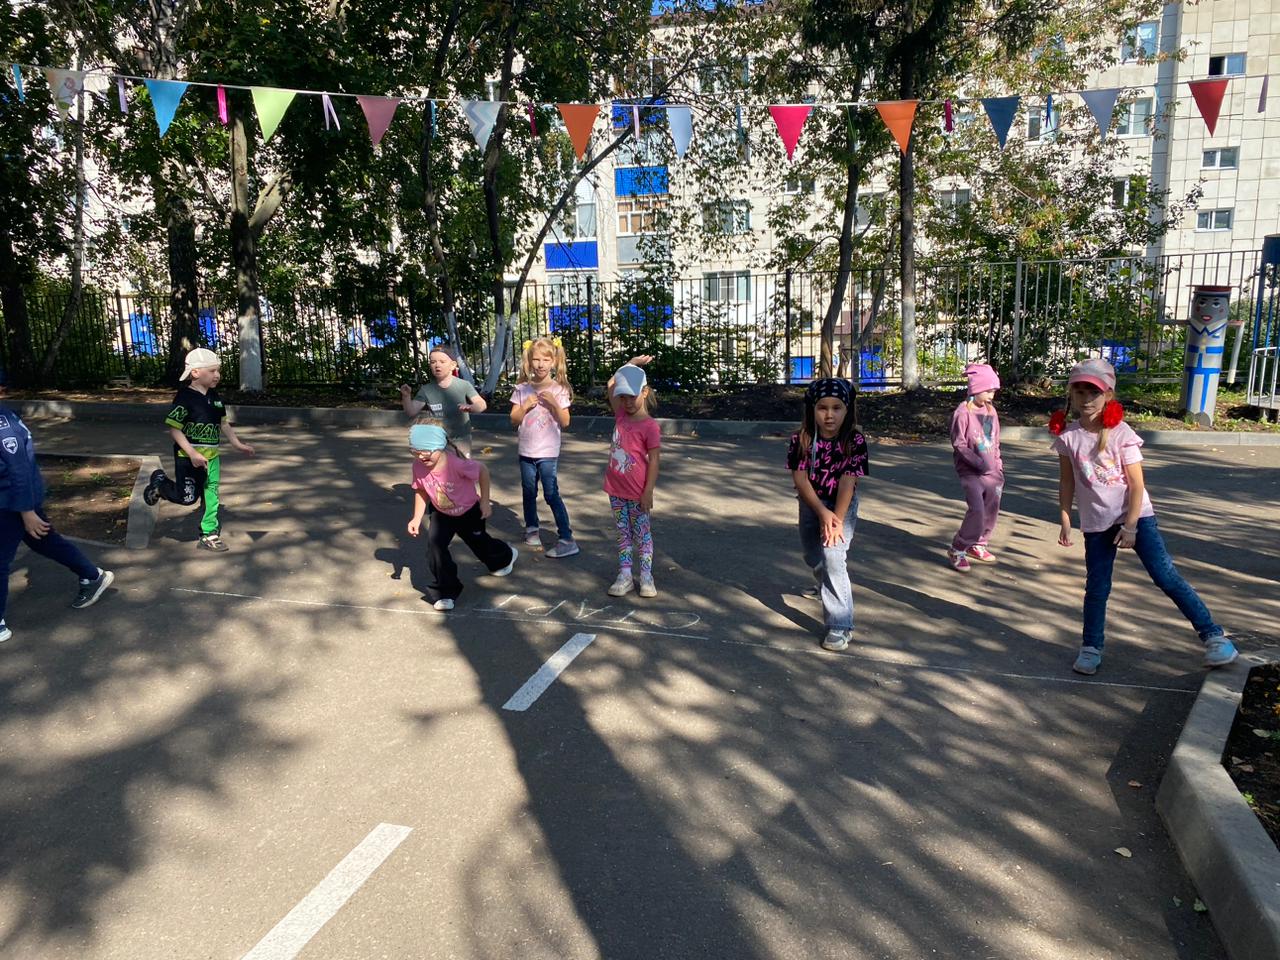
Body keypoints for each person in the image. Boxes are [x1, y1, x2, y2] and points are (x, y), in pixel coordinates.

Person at [1051, 358, 1238, 675]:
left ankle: (1214, 637)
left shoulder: (1121, 433)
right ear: (1071, 394)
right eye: (1080, 391)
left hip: (1136, 518)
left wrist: (1131, 526)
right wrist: (1066, 517)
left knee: (1165, 576)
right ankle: (1091, 647)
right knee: (1097, 588)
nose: (1086, 399)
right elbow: (1067, 481)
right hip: (1097, 522)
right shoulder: (1069, 437)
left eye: (1094, 392)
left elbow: (1136, 484)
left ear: (1108, 395)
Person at [0, 399, 114, 643]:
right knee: (43, 540)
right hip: (13, 501)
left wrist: (26, 511)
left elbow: (20, 471)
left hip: (11, 503)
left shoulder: (3, 424)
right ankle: (93, 575)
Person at [786, 378, 870, 651]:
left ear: (847, 410)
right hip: (812, 503)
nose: (829, 415)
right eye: (823, 408)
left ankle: (840, 624)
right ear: (812, 409)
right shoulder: (800, 440)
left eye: (837, 408)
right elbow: (800, 480)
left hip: (842, 504)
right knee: (813, 555)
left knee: (833, 556)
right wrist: (821, 512)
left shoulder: (854, 440)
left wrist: (836, 519)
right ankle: (826, 583)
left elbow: (848, 481)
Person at [143, 348, 255, 552]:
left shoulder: (215, 397)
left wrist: (237, 444)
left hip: (212, 458)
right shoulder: (185, 397)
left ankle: (209, 534)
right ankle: (160, 485)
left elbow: (223, 423)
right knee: (187, 498)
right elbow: (174, 429)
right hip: (187, 458)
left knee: (211, 494)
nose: (217, 375)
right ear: (195, 372)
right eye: (212, 371)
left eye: (218, 370)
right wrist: (193, 453)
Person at [406, 422, 516, 610]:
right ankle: (445, 592)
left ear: (439, 446)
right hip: (441, 514)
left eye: (427, 451)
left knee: (480, 544)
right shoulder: (418, 466)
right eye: (416, 451)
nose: (421, 456)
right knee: (435, 548)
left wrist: (485, 501)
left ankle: (505, 556)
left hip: (469, 511)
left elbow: (482, 471)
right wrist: (416, 518)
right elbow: (421, 490)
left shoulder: (456, 464)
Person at [510, 336, 578, 558]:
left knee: (550, 493)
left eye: (545, 360)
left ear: (554, 362)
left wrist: (554, 404)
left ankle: (567, 538)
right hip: (526, 451)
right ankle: (532, 529)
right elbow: (513, 419)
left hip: (547, 452)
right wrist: (525, 407)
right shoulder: (522, 389)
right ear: (529, 361)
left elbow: (565, 422)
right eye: (536, 359)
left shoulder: (559, 390)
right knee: (528, 491)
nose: (540, 364)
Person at [603, 357, 660, 597]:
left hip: (637, 492)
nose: (626, 402)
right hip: (615, 489)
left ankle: (646, 576)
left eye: (631, 396)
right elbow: (611, 384)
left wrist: (648, 492)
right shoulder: (621, 415)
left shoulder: (650, 426)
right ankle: (625, 575)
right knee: (623, 533)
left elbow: (654, 460)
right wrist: (630, 364)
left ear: (644, 392)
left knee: (642, 534)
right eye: (623, 397)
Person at [947, 363, 1004, 571]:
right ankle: (958, 547)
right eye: (988, 390)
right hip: (970, 471)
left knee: (991, 508)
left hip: (992, 472)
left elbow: (995, 440)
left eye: (994, 391)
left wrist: (998, 465)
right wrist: (977, 462)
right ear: (975, 388)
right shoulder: (962, 413)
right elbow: (959, 444)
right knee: (977, 510)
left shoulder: (991, 411)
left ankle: (978, 543)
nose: (991, 395)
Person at [399, 345, 486, 456]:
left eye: (442, 362)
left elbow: (482, 404)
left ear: (453, 365)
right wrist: (406, 396)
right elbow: (411, 411)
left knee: (462, 465)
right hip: (437, 439)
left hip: (461, 439)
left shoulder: (464, 385)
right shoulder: (427, 389)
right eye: (433, 362)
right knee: (441, 466)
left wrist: (472, 407)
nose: (437, 365)